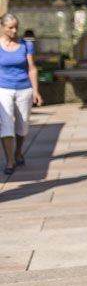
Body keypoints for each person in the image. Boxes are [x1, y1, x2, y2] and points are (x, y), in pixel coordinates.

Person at [0, 14, 42, 175]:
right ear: (3, 27)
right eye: (10, 27)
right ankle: (9, 160)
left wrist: (36, 91)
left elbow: (32, 68)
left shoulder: (26, 45)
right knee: (6, 123)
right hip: (3, 88)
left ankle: (18, 152)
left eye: (16, 27)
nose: (14, 30)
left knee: (22, 126)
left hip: (24, 88)